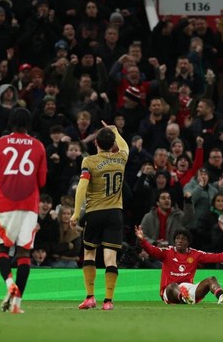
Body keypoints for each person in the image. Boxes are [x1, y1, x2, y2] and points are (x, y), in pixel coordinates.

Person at [0, 107, 48, 314]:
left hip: (5, 203)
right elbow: (42, 181)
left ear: (10, 123)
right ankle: (16, 305)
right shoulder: (38, 146)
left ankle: (8, 284)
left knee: (1, 250)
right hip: (29, 205)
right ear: (28, 123)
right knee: (24, 253)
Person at [70, 121, 129, 311]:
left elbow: (82, 187)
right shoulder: (121, 158)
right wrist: (115, 130)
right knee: (110, 258)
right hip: (115, 214)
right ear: (113, 144)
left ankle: (90, 297)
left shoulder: (88, 162)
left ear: (96, 143)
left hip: (95, 213)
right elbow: (125, 145)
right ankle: (108, 301)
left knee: (89, 253)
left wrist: (75, 213)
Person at [135, 226, 223, 304]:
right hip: (169, 293)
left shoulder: (196, 254)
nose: (179, 241)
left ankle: (221, 297)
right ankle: (183, 297)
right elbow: (151, 250)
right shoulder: (167, 252)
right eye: (177, 238)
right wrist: (142, 240)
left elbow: (218, 257)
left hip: (188, 289)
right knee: (172, 286)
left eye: (183, 239)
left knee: (211, 279)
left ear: (188, 242)